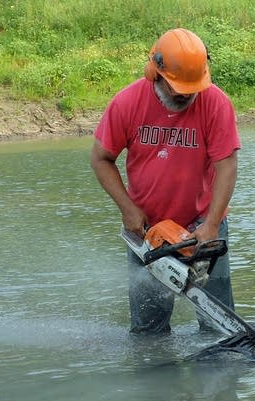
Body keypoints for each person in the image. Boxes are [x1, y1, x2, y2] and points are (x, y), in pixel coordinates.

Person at [90, 28, 241, 334]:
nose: (184, 94)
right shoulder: (126, 103)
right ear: (154, 72)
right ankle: (154, 377)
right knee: (148, 330)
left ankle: (220, 376)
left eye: (190, 87)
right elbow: (100, 159)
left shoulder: (215, 103)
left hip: (204, 225)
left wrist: (211, 224)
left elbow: (227, 164)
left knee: (219, 325)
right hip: (146, 230)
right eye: (176, 87)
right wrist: (128, 210)